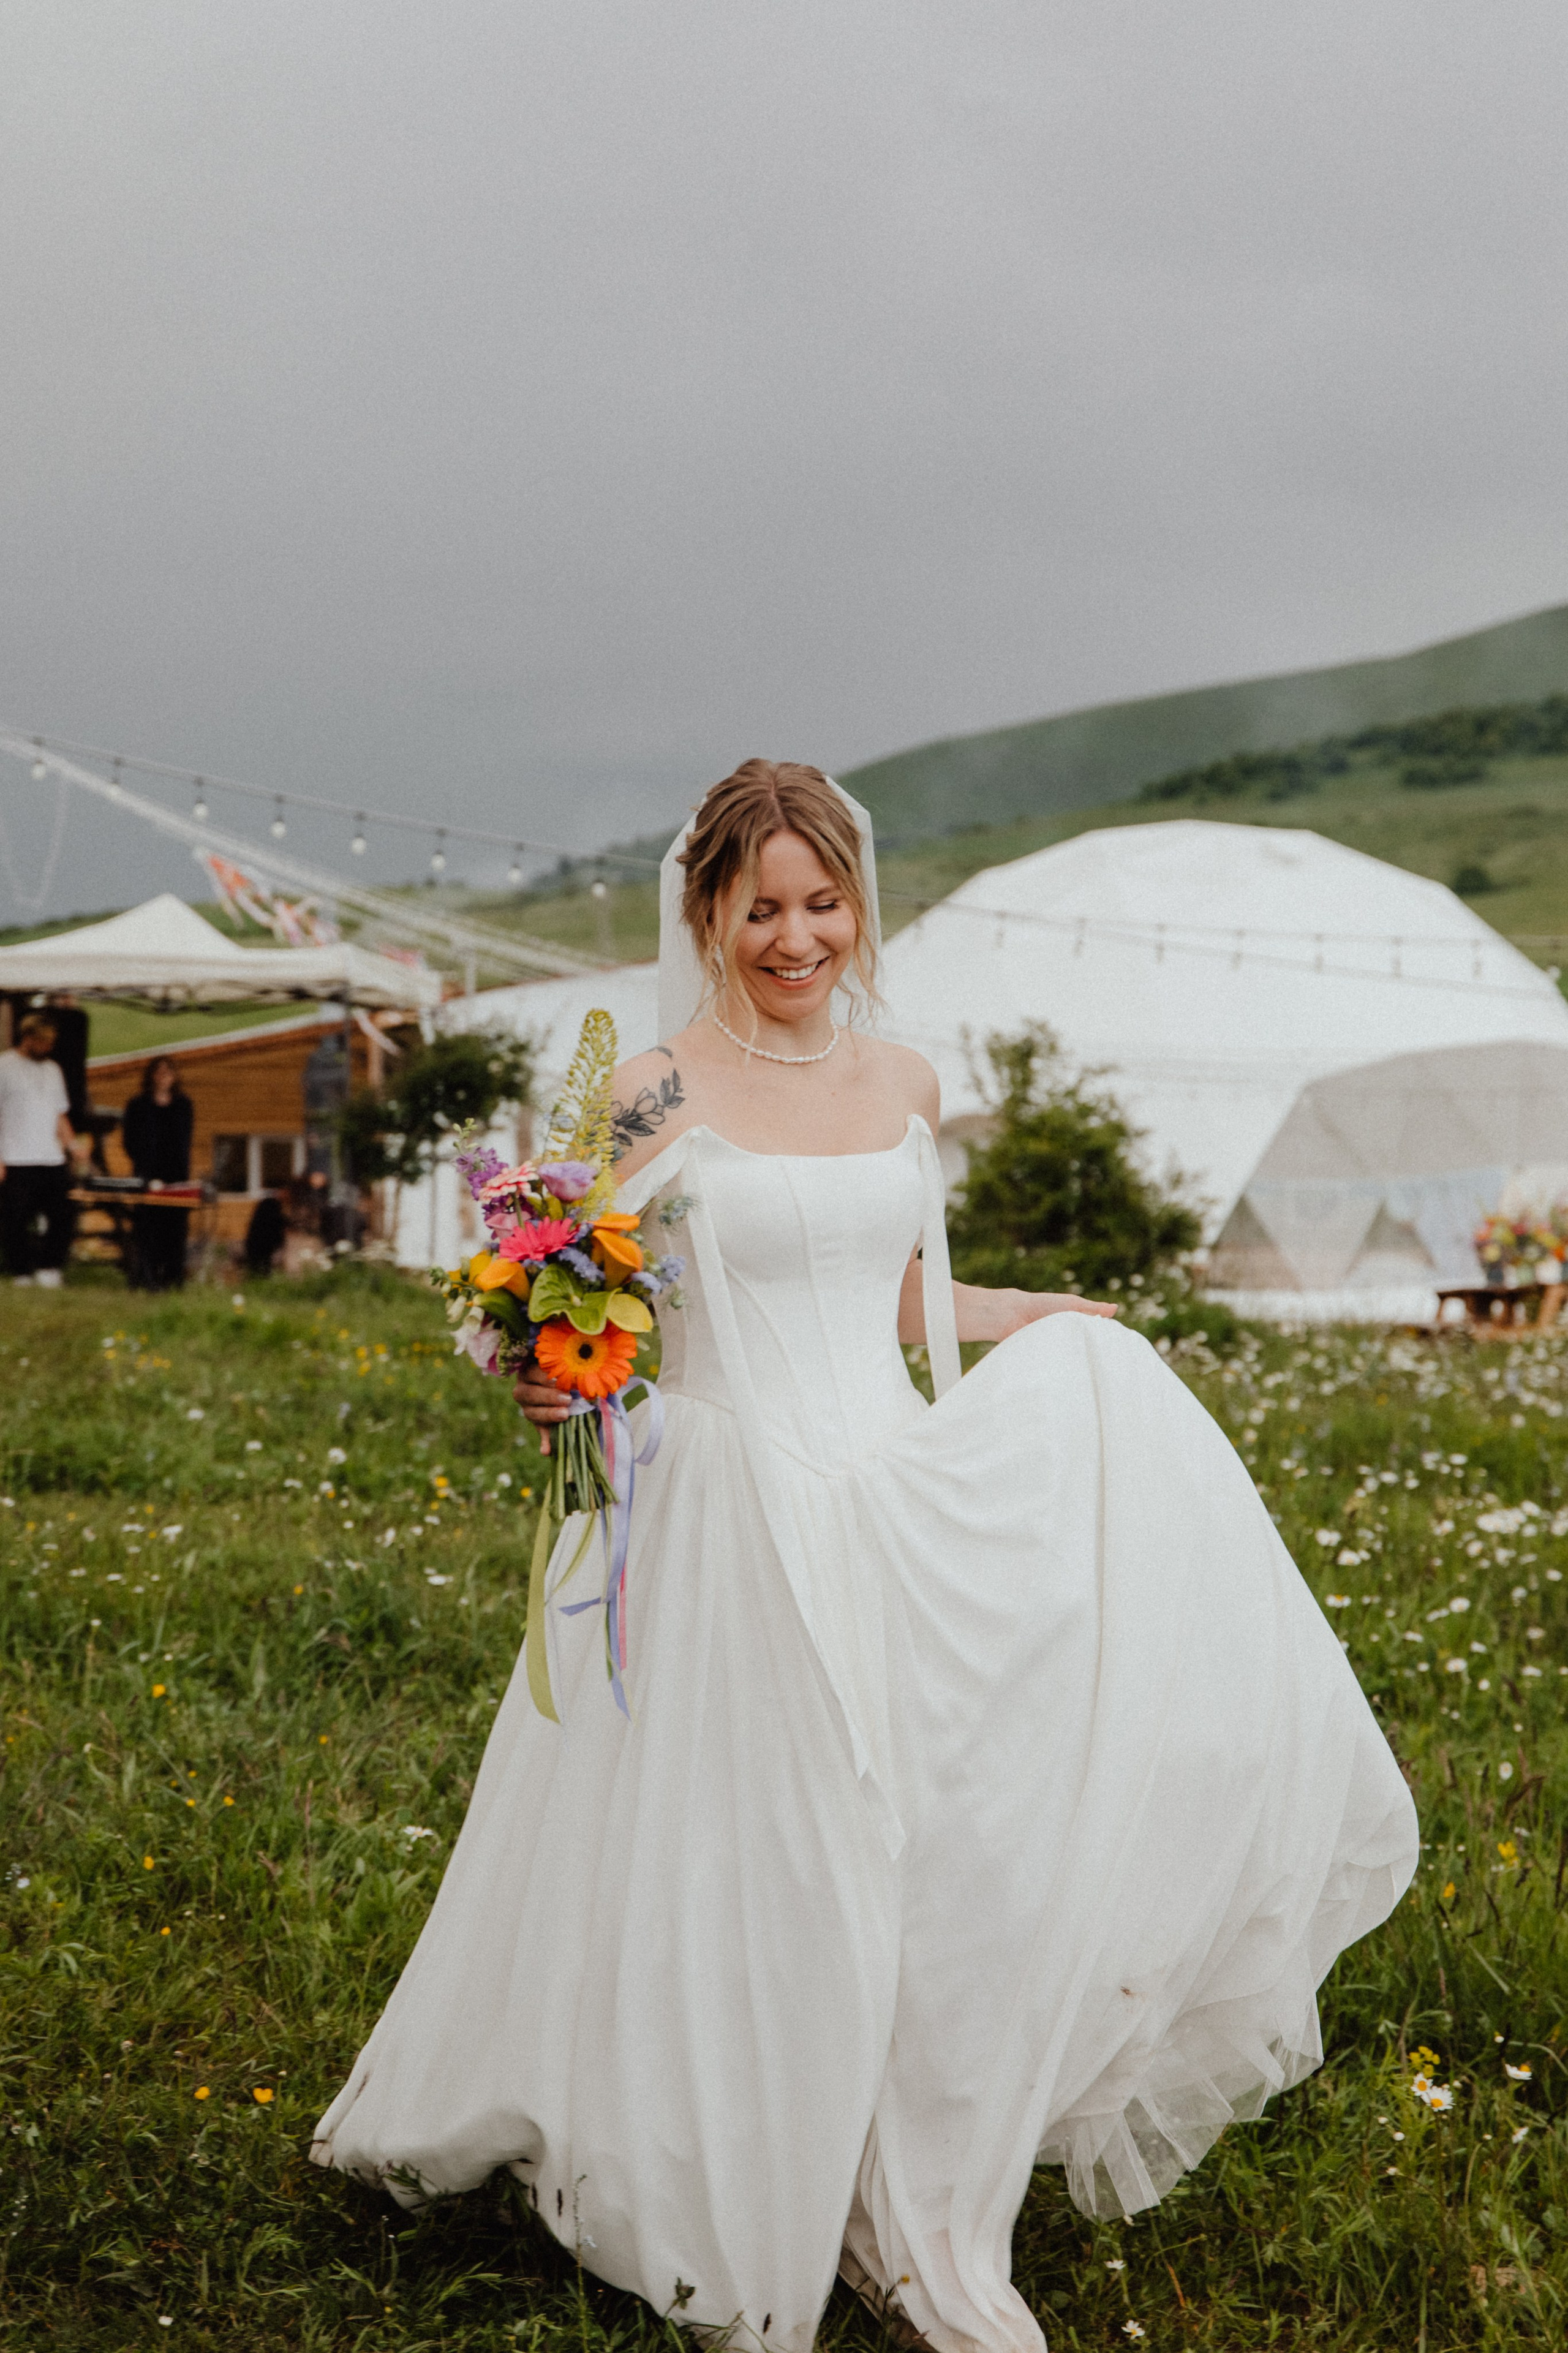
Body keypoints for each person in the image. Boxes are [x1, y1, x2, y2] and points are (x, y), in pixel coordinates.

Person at [314, 763, 1418, 2353]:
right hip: (725, 1494)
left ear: (858, 908)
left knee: (935, 1828)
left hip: (887, 1473)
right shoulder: (646, 1097)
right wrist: (548, 1376)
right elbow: (555, 1307)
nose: (794, 933)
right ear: (704, 913)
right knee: (787, 1847)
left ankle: (900, 2153)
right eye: (760, 904)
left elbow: (895, 1289)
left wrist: (1023, 1316)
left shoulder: (903, 1082)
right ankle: (752, 2147)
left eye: (822, 902)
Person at [0, 1012, 86, 1287]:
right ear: (28, 1038)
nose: (48, 1048)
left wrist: (73, 1145)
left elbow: (60, 1115)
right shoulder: (5, 1067)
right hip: (16, 1156)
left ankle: (50, 1267)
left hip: (51, 1157)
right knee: (15, 1219)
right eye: (43, 1042)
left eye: (51, 1043)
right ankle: (22, 1272)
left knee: (64, 1214)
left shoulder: (53, 1070)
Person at [121, 1055, 195, 1291]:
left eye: (168, 1072)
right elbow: (129, 1140)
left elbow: (185, 1140)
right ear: (151, 1075)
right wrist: (143, 1163)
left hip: (176, 1174)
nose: (163, 1077)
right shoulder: (138, 1105)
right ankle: (147, 1276)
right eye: (159, 1072)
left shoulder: (184, 1105)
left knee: (175, 1228)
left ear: (175, 1077)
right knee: (147, 1227)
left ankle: (173, 1278)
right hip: (148, 1173)